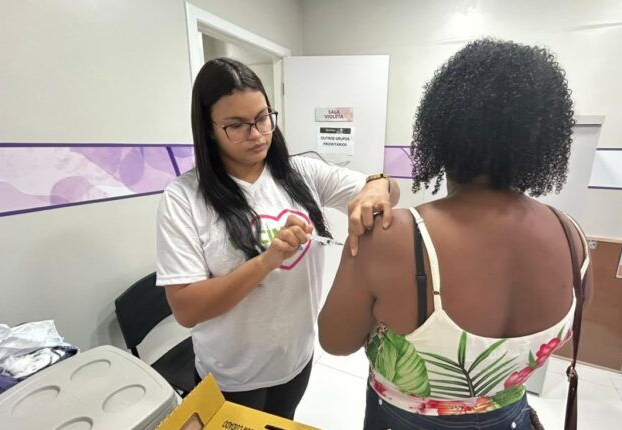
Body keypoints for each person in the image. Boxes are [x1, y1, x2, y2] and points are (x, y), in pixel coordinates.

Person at [318, 38, 593, 430]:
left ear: (441, 128)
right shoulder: (572, 237)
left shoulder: (394, 236)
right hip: (510, 420)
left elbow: (335, 342)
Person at [155, 57, 399, 419]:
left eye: (263, 118)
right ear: (208, 129)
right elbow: (187, 309)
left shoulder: (302, 172)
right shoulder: (184, 198)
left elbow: (386, 190)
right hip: (231, 375)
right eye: (236, 125)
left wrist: (378, 186)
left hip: (295, 359)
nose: (257, 134)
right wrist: (267, 261)